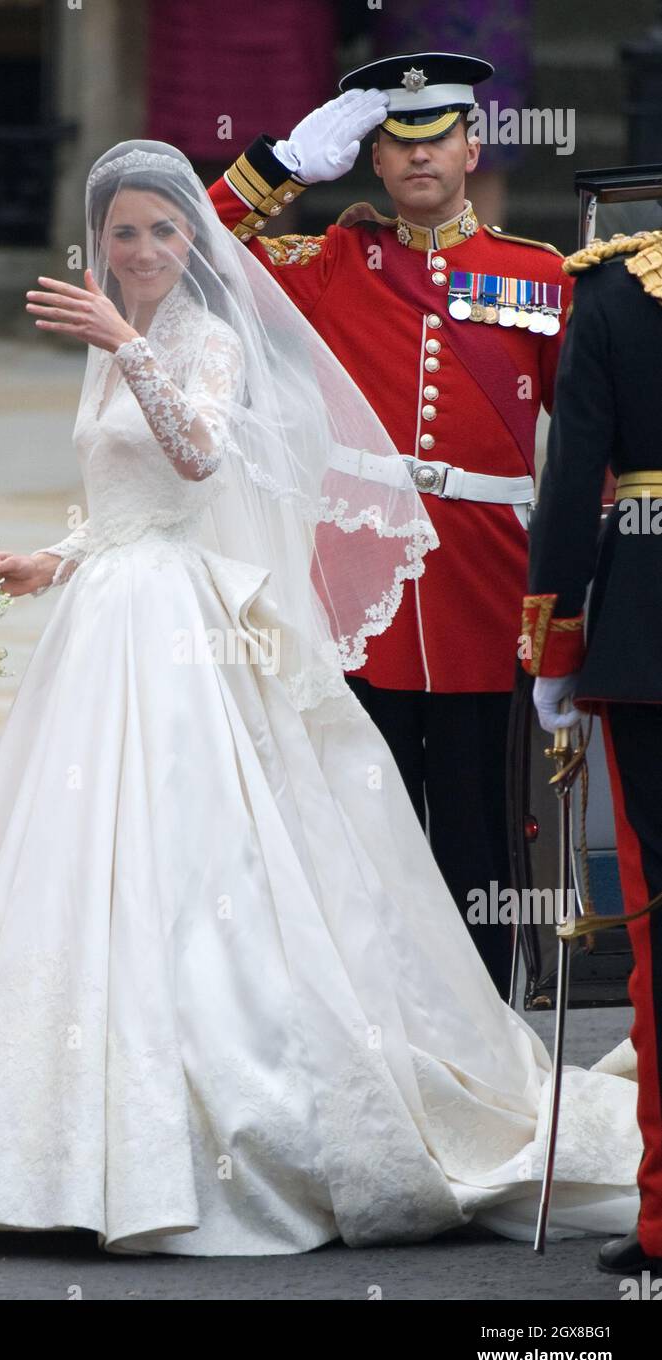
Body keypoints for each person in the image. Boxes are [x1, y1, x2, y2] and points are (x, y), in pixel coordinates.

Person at [0, 140, 640, 1258]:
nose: (143, 250)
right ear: (101, 247)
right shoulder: (119, 341)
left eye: (164, 232)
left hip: (184, 627)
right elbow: (130, 502)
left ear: (190, 247)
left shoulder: (204, 339)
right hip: (111, 614)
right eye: (123, 234)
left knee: (205, 855)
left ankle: (214, 1121)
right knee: (83, 861)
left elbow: (203, 455)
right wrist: (50, 558)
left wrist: (127, 346)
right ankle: (54, 1140)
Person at [206, 52, 574, 998]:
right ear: (371, 161)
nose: (418, 157)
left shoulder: (540, 275)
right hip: (359, 590)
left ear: (470, 146)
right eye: (395, 143)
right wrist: (280, 166)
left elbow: (592, 443)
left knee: (476, 837)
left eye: (437, 137)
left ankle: (486, 1022)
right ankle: (378, 1025)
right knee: (360, 826)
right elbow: (183, 253)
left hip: (481, 589)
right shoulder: (333, 261)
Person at [520, 223, 662, 1277]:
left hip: (649, 636)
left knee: (660, 920)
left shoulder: (614, 290)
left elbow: (575, 484)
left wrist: (554, 645)